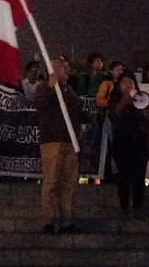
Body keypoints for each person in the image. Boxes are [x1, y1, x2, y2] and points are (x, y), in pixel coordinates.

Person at [34, 56, 83, 234]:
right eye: (63, 68)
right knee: (51, 181)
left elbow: (78, 112)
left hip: (70, 141)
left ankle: (67, 220)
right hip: (52, 141)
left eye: (67, 68)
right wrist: (50, 86)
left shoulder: (69, 91)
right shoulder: (44, 88)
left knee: (68, 183)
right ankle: (49, 220)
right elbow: (39, 103)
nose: (67, 71)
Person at [108, 73, 149, 215]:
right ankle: (124, 208)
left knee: (139, 178)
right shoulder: (115, 100)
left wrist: (140, 102)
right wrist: (125, 100)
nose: (128, 85)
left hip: (139, 145)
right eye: (125, 83)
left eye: (131, 83)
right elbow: (114, 115)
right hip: (122, 144)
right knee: (123, 177)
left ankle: (138, 208)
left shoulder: (140, 100)